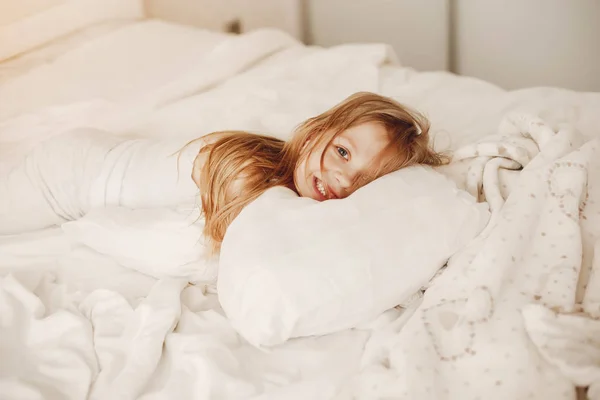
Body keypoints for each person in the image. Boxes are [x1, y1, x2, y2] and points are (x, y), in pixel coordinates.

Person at [188, 92, 447, 254]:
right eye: (343, 152)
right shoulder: (247, 171)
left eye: (367, 181)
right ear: (312, 135)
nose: (345, 179)